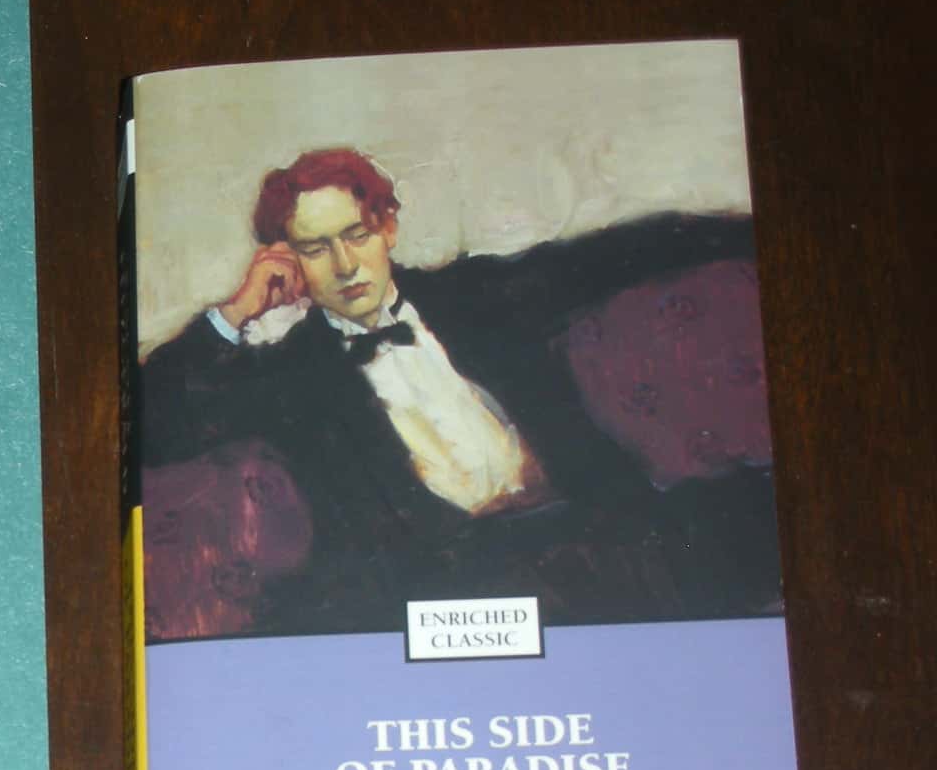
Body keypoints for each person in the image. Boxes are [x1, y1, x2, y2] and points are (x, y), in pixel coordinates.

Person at [139, 148, 780, 637]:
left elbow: (616, 254)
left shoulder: (476, 295)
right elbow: (149, 420)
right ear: (287, 262)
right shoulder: (288, 378)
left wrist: (766, 234)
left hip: (596, 537)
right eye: (315, 248)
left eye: (356, 235)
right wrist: (234, 312)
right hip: (452, 592)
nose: (345, 265)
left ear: (388, 228)